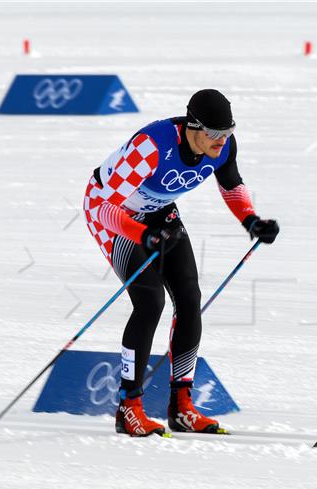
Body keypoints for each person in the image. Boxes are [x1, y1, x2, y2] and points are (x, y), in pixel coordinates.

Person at [83, 89, 279, 436]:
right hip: (112, 214)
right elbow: (105, 208)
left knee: (189, 298)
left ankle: (181, 406)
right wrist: (141, 235)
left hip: (158, 211)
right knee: (150, 301)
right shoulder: (152, 146)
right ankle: (129, 406)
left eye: (228, 133)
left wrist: (251, 221)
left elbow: (232, 186)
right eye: (214, 134)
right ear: (192, 127)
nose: (222, 142)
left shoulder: (223, 146)